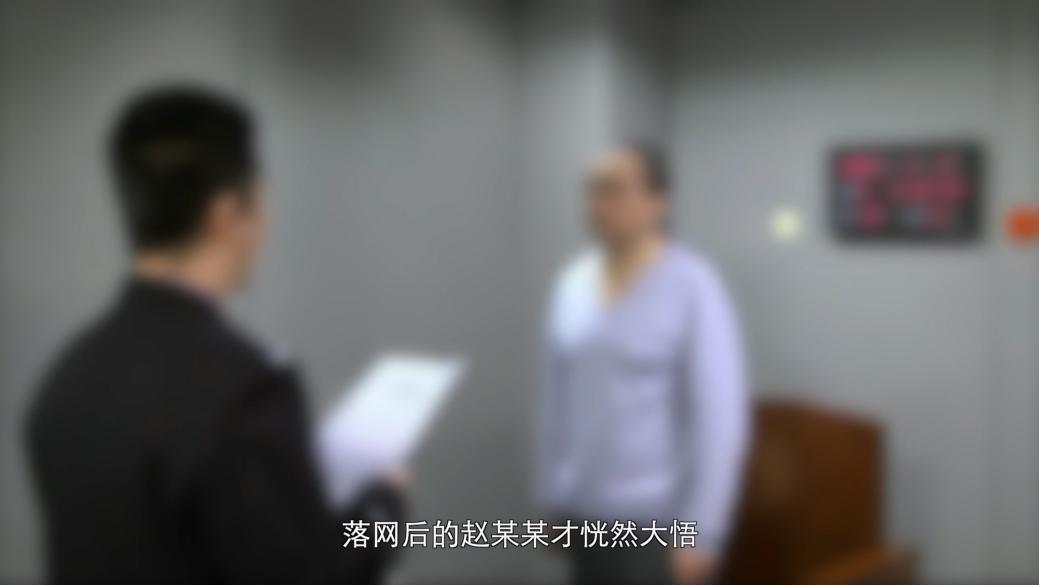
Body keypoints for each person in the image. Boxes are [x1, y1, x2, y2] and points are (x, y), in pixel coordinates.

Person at [25, 86, 403, 584]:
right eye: (261, 203)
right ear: (227, 215)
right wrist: (384, 505)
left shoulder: (67, 382)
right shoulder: (244, 392)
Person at [536, 143, 750, 585]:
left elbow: (720, 419)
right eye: (593, 190)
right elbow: (554, 403)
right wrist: (551, 498)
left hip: (655, 526)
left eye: (614, 190)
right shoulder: (571, 284)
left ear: (658, 202)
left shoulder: (693, 286)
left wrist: (703, 533)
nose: (598, 204)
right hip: (583, 517)